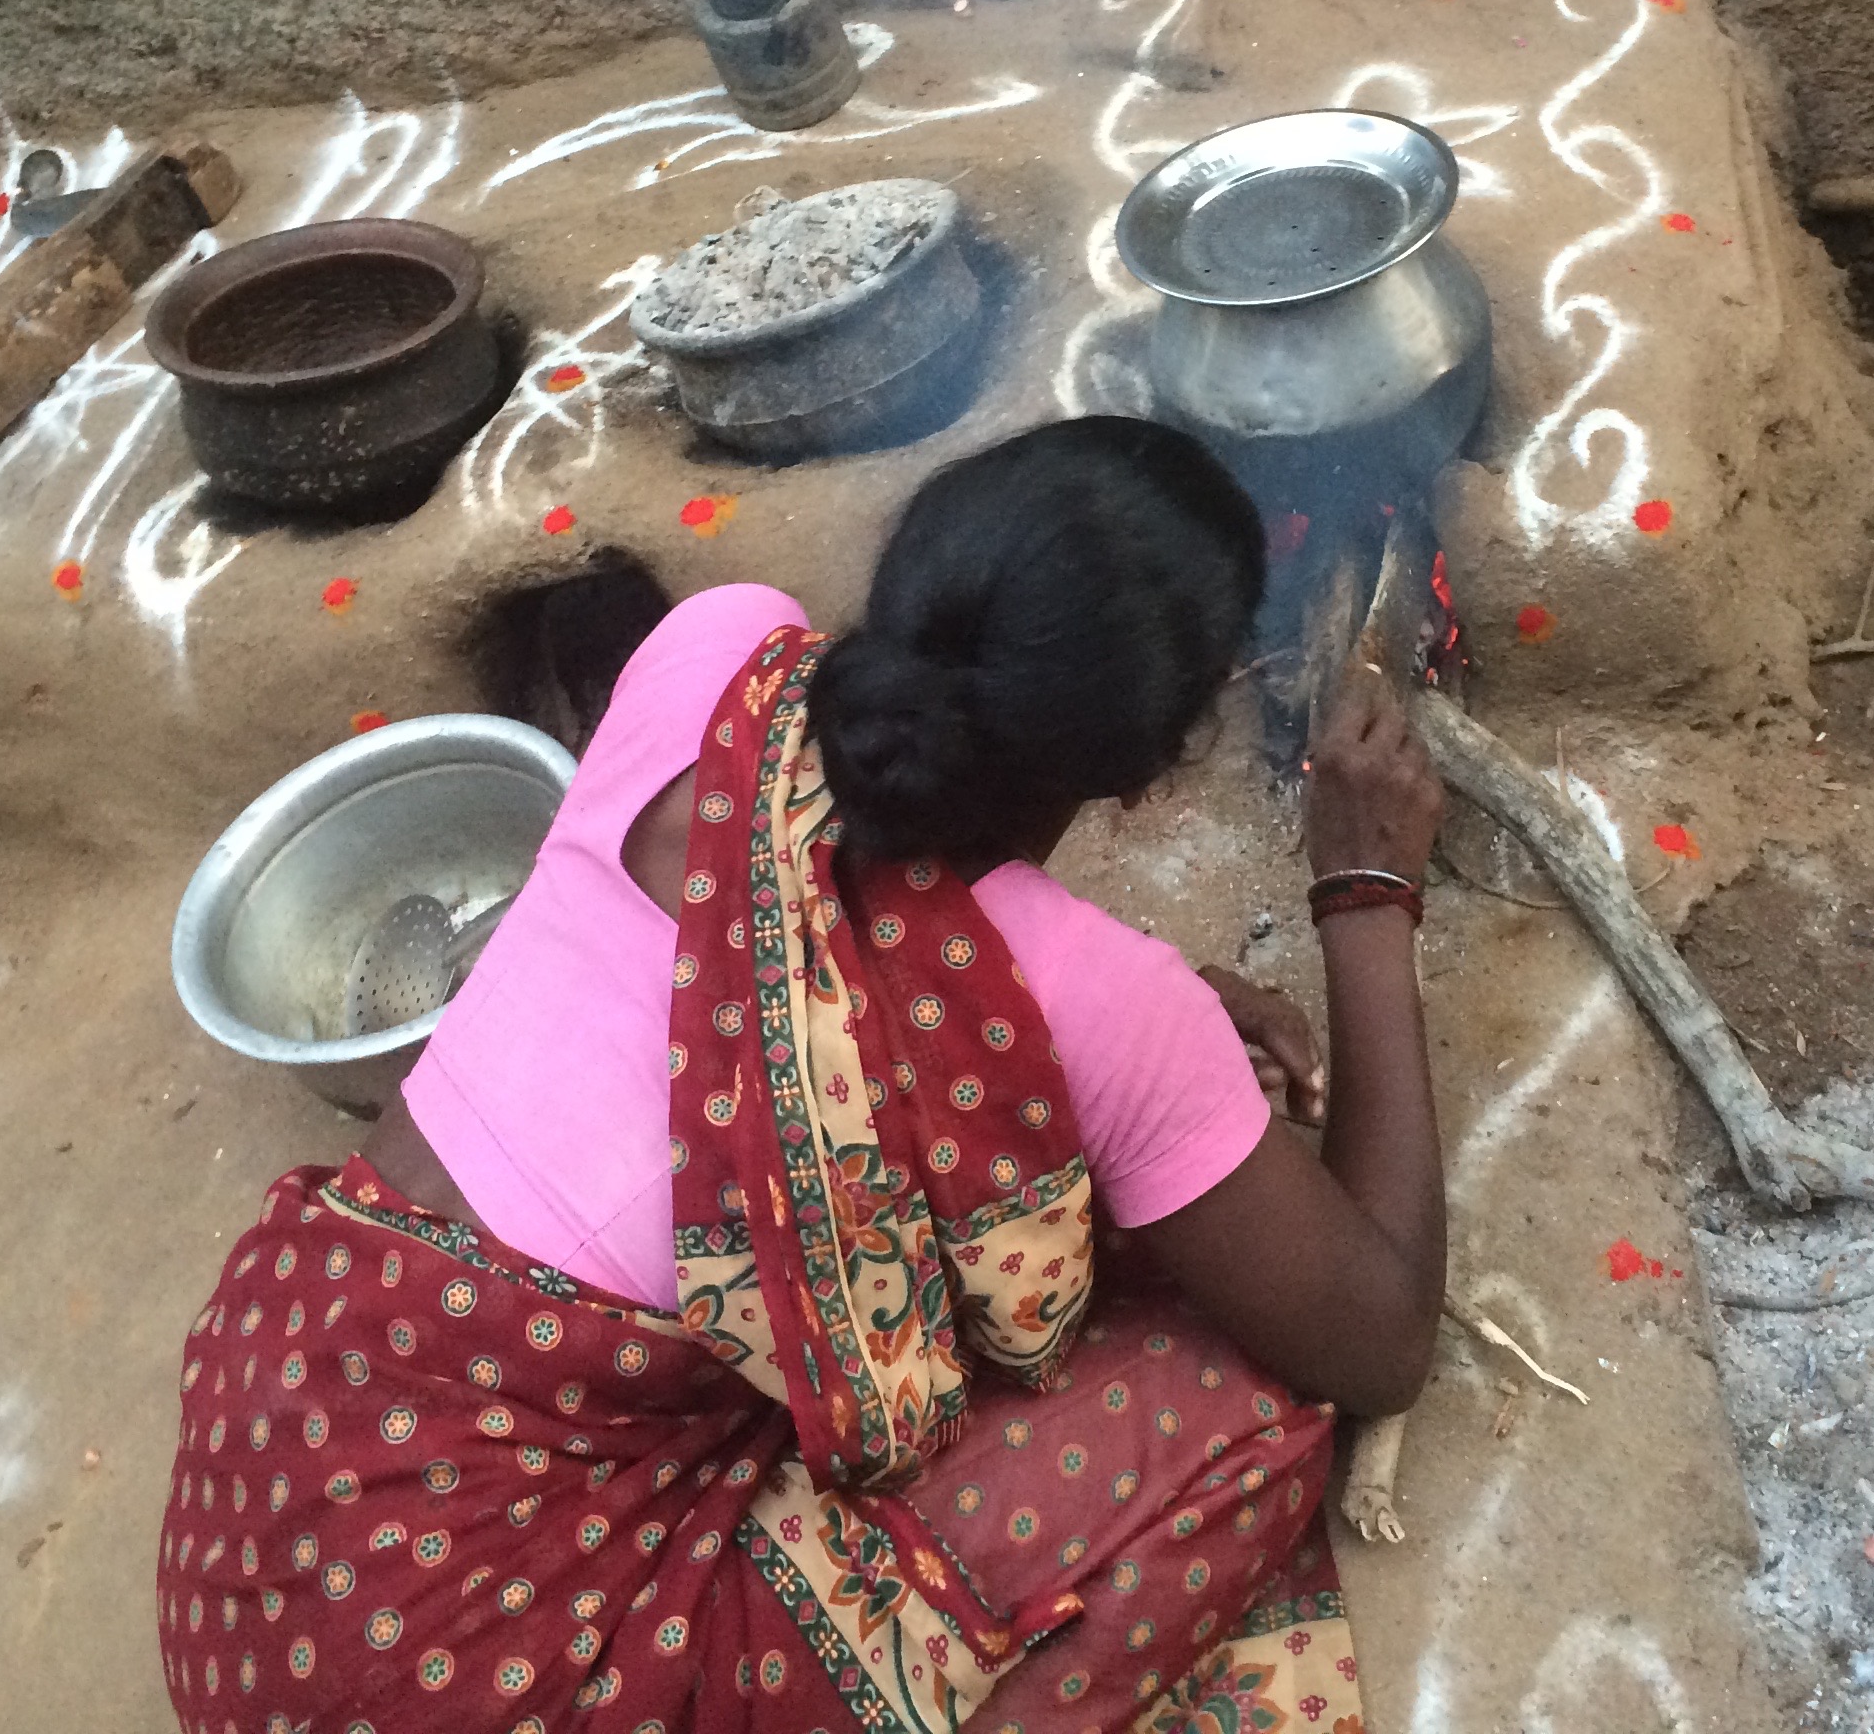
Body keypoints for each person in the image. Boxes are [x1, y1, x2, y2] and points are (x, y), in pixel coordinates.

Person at [157, 417, 1448, 1733]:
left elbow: (837, 955)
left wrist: (1121, 1024)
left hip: (267, 1498)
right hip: (469, 1667)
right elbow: (1382, 1339)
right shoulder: (1099, 1007)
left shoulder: (713, 652)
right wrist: (1365, 890)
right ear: (1145, 772)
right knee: (1253, 1412)